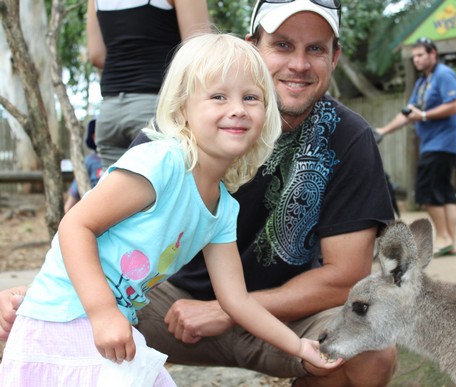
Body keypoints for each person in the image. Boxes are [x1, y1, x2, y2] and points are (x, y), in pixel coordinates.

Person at [0, 1, 398, 386]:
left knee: (372, 348)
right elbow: (79, 225)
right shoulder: (163, 158)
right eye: (281, 44)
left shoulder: (224, 202)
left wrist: (300, 347)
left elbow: (238, 300)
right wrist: (51, 298)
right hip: (107, 313)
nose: (237, 109)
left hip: (208, 312)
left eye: (250, 98)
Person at [87, 0, 210, 169]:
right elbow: (200, 51)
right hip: (156, 108)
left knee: (114, 191)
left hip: (110, 113)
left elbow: (97, 55)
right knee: (165, 190)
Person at [375, 37, 456, 257]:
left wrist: (423, 115)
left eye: (420, 55)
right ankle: (450, 240)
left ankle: (442, 238)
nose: (416, 59)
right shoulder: (423, 83)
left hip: (441, 143)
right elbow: (408, 113)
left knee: (425, 192)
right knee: (445, 193)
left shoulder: (444, 75)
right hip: (436, 144)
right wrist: (383, 131)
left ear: (433, 54)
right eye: (414, 56)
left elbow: (455, 105)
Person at [64, 119, 104, 212]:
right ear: (93, 136)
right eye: (98, 131)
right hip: (95, 212)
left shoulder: (125, 157)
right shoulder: (89, 161)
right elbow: (74, 194)